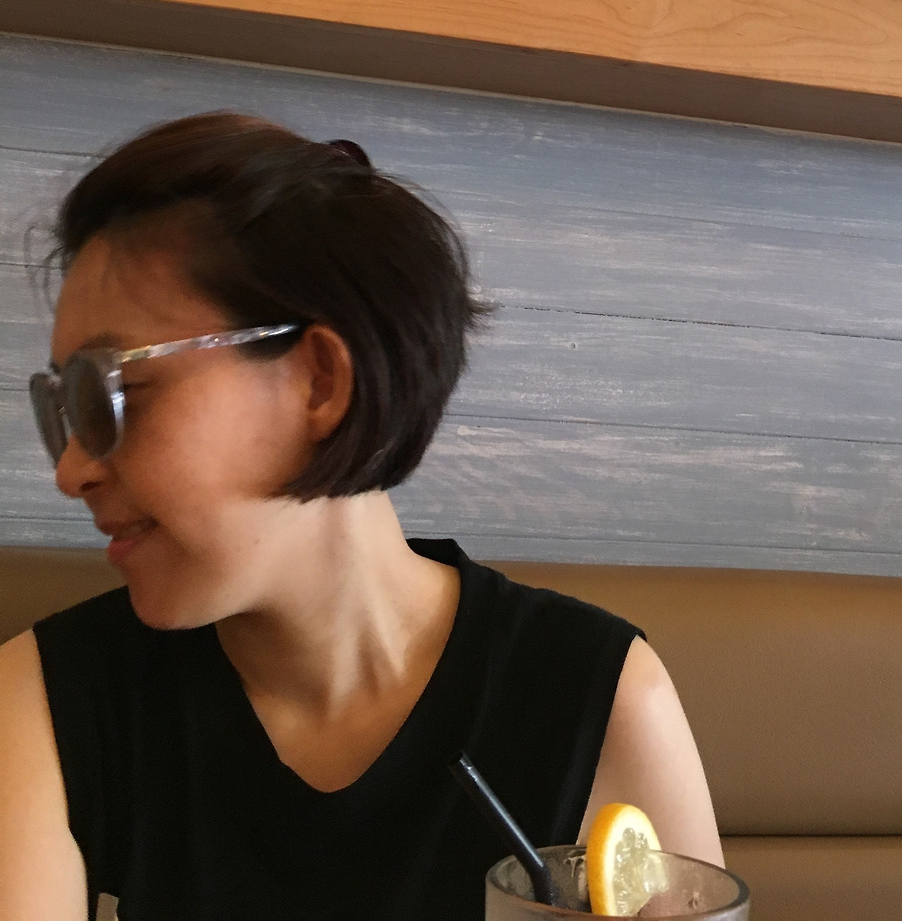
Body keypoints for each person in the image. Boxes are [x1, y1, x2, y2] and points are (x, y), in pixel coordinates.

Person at [0, 114, 720, 920]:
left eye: (113, 393)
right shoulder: (48, 699)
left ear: (320, 382)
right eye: (64, 409)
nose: (71, 471)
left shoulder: (595, 697)